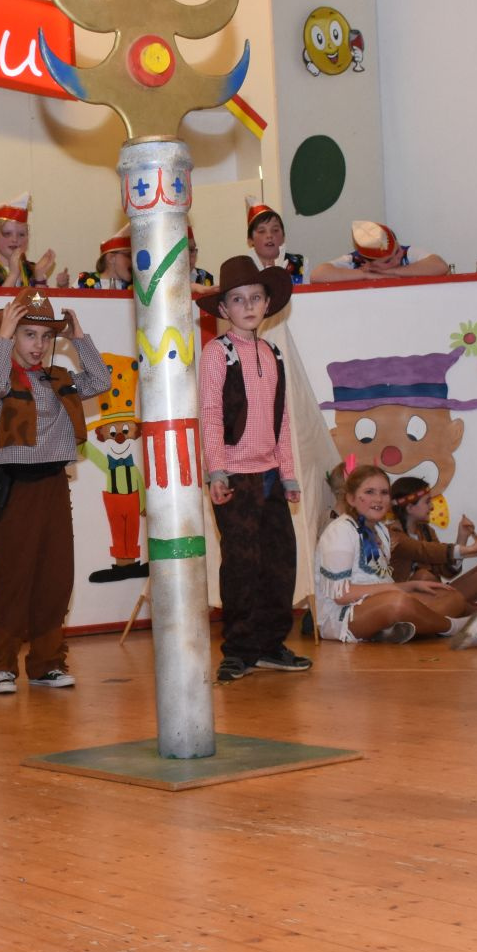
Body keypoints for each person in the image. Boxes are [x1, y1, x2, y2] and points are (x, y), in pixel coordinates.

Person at [0, 287, 111, 693]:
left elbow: (101, 379)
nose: (38, 345)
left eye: (46, 336)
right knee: (14, 575)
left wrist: (78, 338)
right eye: (28, 334)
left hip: (54, 483)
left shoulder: (60, 378)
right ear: (13, 336)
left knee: (56, 575)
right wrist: (4, 336)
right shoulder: (2, 378)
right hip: (17, 486)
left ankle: (46, 663)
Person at [198, 256, 311, 681]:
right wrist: (217, 470)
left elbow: (281, 418)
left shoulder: (272, 352)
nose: (248, 306)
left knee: (279, 561)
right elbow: (210, 415)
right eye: (238, 299)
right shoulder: (217, 354)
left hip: (270, 477)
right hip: (235, 476)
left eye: (255, 298)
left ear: (267, 304)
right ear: (223, 308)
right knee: (241, 564)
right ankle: (239, 649)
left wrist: (288, 472)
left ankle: (270, 644)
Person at [315, 465, 477, 644]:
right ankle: (454, 628)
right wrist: (396, 589)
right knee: (397, 603)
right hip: (343, 616)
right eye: (369, 492)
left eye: (384, 493)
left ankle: (391, 630)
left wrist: (412, 585)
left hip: (383, 602)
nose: (378, 499)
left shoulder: (381, 531)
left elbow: (382, 582)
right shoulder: (340, 531)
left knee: (453, 598)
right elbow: (341, 596)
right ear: (351, 499)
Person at [0, 194, 65, 288]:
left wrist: (39, 278)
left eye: (21, 234)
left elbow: (38, 298)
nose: (15, 239)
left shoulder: (32, 270)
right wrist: (13, 274)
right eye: (7, 233)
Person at [311, 221, 450, 283]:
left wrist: (391, 272)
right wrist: (365, 275)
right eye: (388, 261)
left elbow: (440, 266)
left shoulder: (407, 253)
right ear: (366, 262)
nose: (397, 259)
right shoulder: (354, 261)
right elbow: (317, 275)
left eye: (397, 251)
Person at [246, 201, 304, 283]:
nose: (269, 235)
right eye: (262, 231)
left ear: (283, 237)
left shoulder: (298, 263)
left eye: (275, 230)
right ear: (250, 240)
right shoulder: (242, 269)